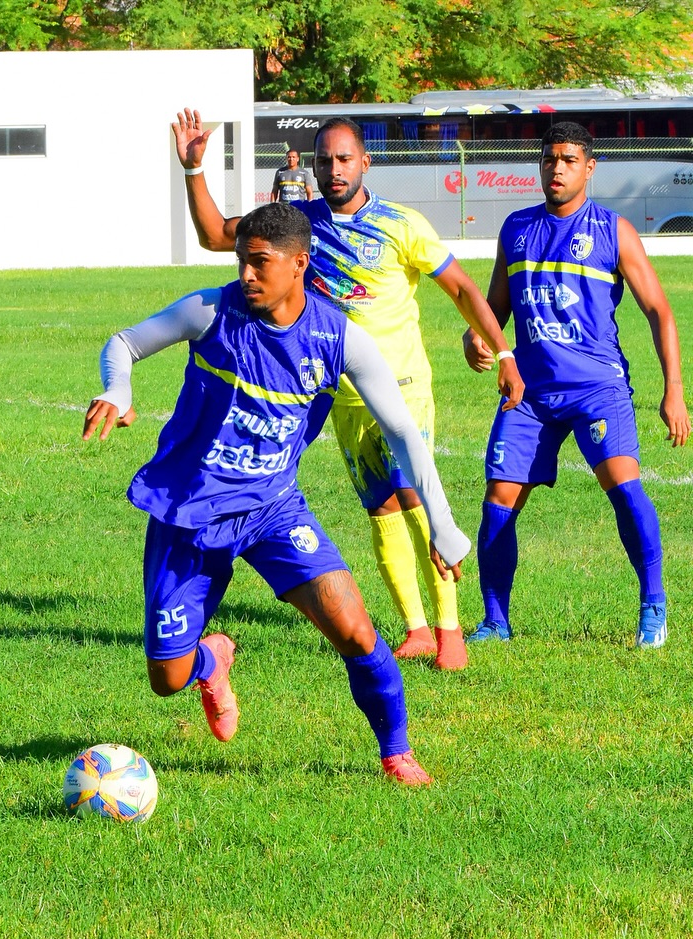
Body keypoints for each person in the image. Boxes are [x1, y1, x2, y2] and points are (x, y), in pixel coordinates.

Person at [83, 202, 470, 785]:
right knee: (166, 678)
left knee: (356, 630)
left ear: (298, 265)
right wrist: (117, 389)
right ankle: (213, 659)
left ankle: (396, 752)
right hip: (188, 509)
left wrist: (441, 522)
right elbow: (125, 343)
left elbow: (403, 433)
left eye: (260, 263)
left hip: (272, 508)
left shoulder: (340, 339)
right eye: (242, 260)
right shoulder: (210, 311)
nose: (246, 275)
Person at [174, 108, 524, 672]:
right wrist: (193, 170)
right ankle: (413, 628)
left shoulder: (401, 224)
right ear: (310, 168)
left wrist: (502, 352)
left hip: (402, 388)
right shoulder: (298, 226)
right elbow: (217, 235)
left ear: (365, 161)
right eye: (323, 160)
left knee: (417, 500)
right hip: (338, 393)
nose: (334, 169)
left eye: (343, 159)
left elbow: (460, 287)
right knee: (380, 506)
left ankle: (450, 629)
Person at [464, 121, 688, 648]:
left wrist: (673, 389)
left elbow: (659, 310)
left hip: (596, 389)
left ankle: (653, 605)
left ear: (589, 167)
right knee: (498, 499)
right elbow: (494, 312)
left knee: (624, 489)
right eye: (549, 158)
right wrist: (477, 338)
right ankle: (496, 621)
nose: (557, 168)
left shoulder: (614, 230)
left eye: (568, 159)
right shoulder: (516, 228)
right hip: (529, 393)